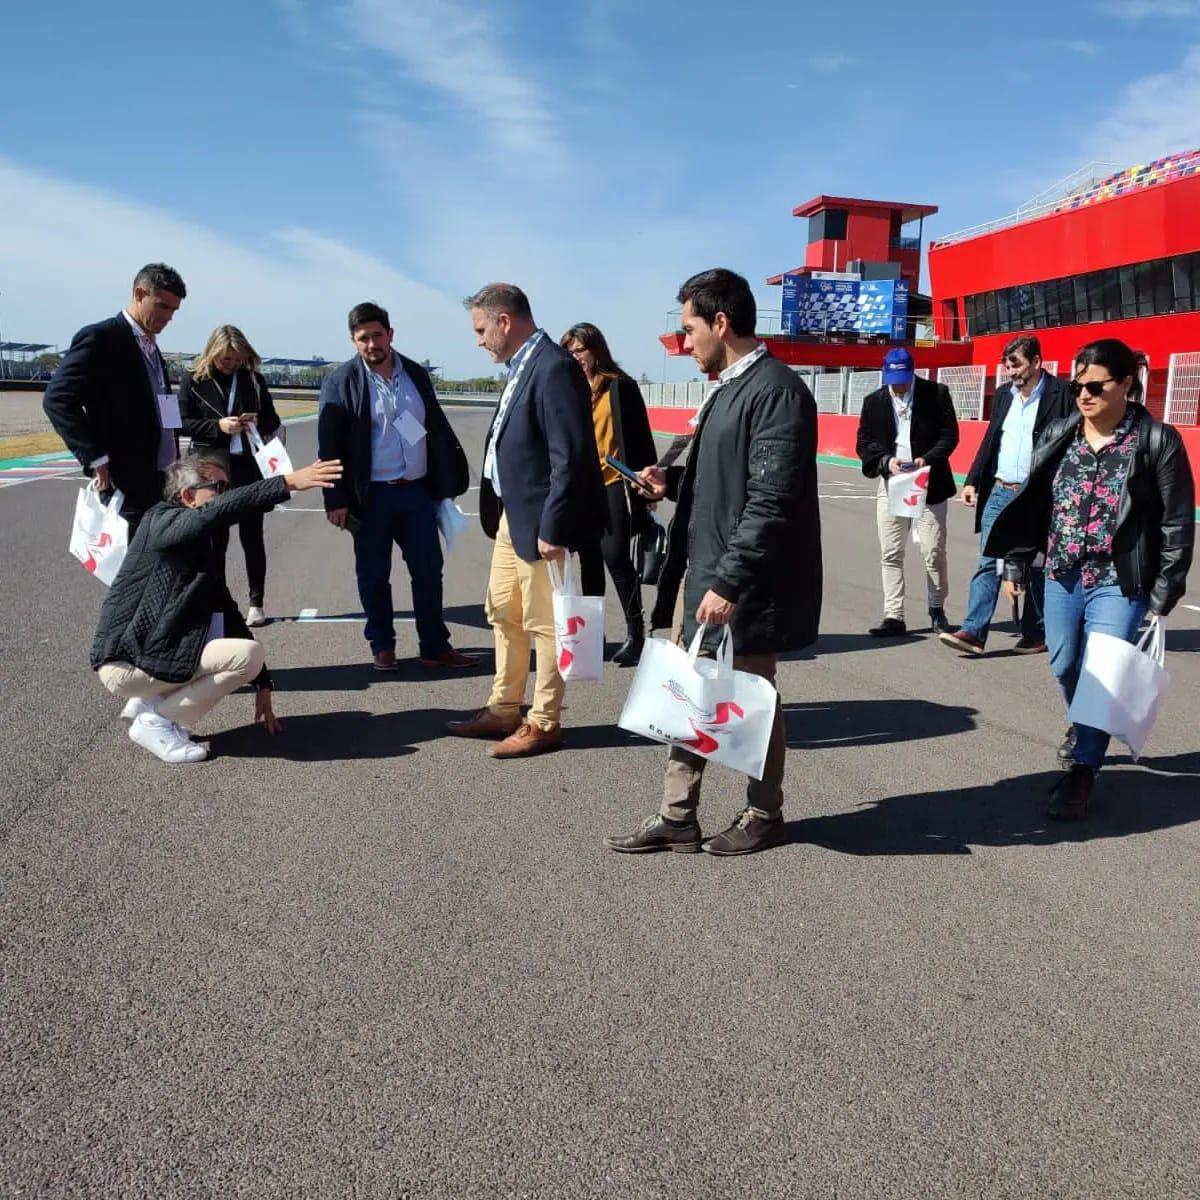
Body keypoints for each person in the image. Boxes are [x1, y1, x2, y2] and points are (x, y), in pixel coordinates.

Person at [605, 268, 822, 857]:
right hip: (703, 568)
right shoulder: (728, 386)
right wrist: (670, 481)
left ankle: (764, 811)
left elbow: (770, 498)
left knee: (753, 694)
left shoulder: (776, 391)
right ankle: (678, 814)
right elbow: (722, 481)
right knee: (686, 692)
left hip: (743, 578)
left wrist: (729, 579)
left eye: (689, 328)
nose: (685, 342)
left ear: (721, 323)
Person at [986, 338, 1194, 819]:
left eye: (1096, 385)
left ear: (1125, 385)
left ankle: (1083, 771)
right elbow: (1034, 507)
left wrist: (1164, 591)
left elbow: (1177, 521)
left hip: (1118, 580)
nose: (1084, 394)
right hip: (1061, 573)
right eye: (1079, 384)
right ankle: (1084, 724)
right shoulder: (1060, 434)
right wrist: (1017, 565)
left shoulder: (1156, 440)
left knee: (1102, 674)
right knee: (1064, 664)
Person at [92, 452, 343, 763]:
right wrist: (288, 482)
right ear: (187, 496)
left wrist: (263, 682)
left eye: (229, 488)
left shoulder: (200, 545)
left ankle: (150, 703)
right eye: (220, 488)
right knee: (244, 657)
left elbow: (228, 609)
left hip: (148, 655)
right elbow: (215, 513)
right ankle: (156, 720)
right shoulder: (161, 522)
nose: (227, 496)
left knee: (245, 652)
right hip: (127, 662)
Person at [447, 283, 605, 758]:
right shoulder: (522, 366)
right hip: (510, 521)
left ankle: (544, 720)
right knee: (503, 613)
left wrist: (553, 529)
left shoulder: (554, 367)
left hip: (540, 527)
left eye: (481, 330)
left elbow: (571, 456)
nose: (478, 341)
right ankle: (504, 706)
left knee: (544, 623)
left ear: (504, 321)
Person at [317, 302, 476, 671]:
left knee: (428, 570)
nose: (371, 344)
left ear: (390, 334)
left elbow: (429, 429)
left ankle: (435, 646)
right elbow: (329, 446)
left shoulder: (415, 374)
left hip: (416, 493)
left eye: (377, 335)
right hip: (371, 496)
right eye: (363, 338)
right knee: (374, 574)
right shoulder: (341, 382)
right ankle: (382, 646)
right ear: (353, 341)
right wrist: (334, 498)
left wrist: (442, 480)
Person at [940, 335, 1072, 657]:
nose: (1011, 371)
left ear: (1037, 362)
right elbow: (991, 440)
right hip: (1000, 490)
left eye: (1017, 364)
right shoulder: (1003, 396)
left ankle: (1035, 632)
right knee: (988, 560)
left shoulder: (1061, 394)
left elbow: (1070, 442)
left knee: (1038, 564)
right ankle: (974, 631)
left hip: (1039, 496)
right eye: (1007, 364)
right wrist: (973, 480)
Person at [44, 263, 187, 533]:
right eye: (162, 306)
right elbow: (57, 399)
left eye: (174, 310)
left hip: (162, 479)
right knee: (127, 570)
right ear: (139, 293)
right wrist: (96, 458)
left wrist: (176, 454)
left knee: (154, 567)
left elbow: (164, 403)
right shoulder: (102, 338)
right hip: (126, 481)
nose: (169, 317)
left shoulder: (152, 347)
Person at [560, 322, 657, 667]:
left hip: (614, 483)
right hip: (581, 488)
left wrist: (647, 487)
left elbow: (641, 438)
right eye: (569, 352)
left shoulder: (621, 387)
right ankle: (590, 635)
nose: (575, 358)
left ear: (596, 350)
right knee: (587, 562)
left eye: (580, 351)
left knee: (616, 558)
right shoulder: (567, 389)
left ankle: (636, 635)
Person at [179, 325, 283, 628]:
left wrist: (256, 422)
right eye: (227, 360)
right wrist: (217, 426)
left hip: (248, 466)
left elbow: (273, 420)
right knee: (215, 540)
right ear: (213, 353)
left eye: (238, 360)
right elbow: (182, 423)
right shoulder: (192, 380)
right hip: (210, 467)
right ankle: (218, 603)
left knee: (253, 536)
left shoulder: (253, 380)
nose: (233, 365)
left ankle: (256, 602)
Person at [856, 347, 959, 636]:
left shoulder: (936, 394)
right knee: (890, 552)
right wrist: (887, 461)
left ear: (912, 372)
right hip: (892, 483)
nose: (897, 385)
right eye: (892, 378)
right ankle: (894, 615)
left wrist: (928, 459)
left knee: (933, 551)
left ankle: (937, 609)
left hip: (930, 483)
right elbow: (864, 442)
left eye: (902, 378)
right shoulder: (874, 402)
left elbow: (950, 435)